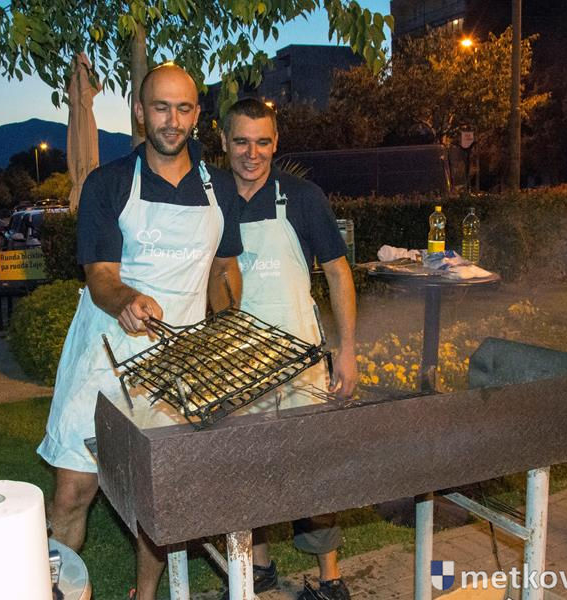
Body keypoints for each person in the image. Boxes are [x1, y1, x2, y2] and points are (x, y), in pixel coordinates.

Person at [37, 63, 242, 600]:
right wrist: (127, 300)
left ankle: (144, 595)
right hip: (105, 350)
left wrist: (226, 324)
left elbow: (224, 268)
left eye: (183, 108)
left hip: (178, 358)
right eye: (160, 107)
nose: (172, 120)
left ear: (197, 115)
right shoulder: (108, 183)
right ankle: (55, 590)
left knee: (160, 496)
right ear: (138, 112)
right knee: (72, 491)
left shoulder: (219, 186)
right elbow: (101, 277)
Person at [221, 98, 359, 600]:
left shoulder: (302, 197)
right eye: (241, 141)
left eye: (262, 142)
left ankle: (330, 578)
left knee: (312, 467)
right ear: (224, 141)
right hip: (237, 359)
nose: (252, 153)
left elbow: (338, 272)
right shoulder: (212, 200)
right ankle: (256, 568)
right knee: (246, 466)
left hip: (301, 356)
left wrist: (347, 349)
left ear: (275, 143)